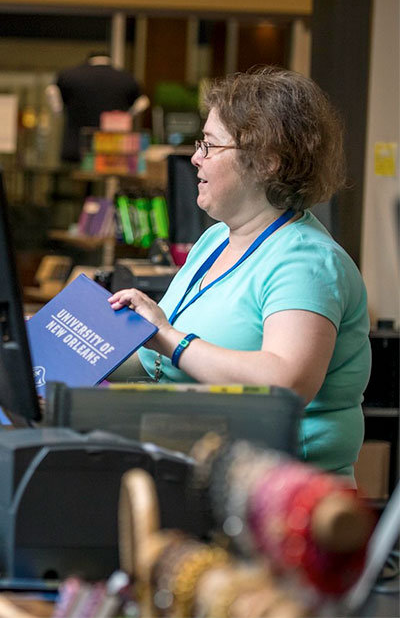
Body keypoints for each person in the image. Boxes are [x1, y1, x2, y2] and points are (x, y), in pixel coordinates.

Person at [109, 67, 371, 477]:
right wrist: (67, 343)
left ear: (266, 161)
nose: (196, 157)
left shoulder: (307, 263)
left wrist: (170, 338)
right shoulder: (215, 242)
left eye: (210, 146)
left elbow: (285, 384)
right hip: (198, 471)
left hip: (279, 501)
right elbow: (158, 359)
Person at [53, 51, 145, 163]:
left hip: (75, 146)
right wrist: (128, 115)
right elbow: (143, 102)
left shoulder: (69, 75)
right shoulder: (127, 78)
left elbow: (51, 92)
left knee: (75, 176)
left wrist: (59, 112)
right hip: (112, 149)